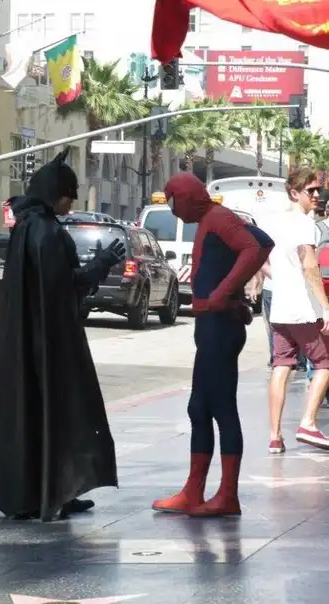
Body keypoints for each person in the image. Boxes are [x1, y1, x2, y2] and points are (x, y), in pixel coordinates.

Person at [0, 147, 126, 521]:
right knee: (58, 412)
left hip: (25, 342)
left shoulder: (26, 227)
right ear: (56, 193)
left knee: (31, 415)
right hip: (50, 343)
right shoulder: (47, 232)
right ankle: (53, 492)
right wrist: (102, 263)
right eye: (69, 194)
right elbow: (64, 288)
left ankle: (42, 492)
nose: (72, 201)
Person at [152, 173, 274, 517]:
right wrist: (232, 294)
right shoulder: (214, 218)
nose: (174, 211)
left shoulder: (218, 218)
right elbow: (261, 241)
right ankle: (195, 491)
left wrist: (224, 293)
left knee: (221, 409)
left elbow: (256, 247)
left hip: (219, 326)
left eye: (174, 202)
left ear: (187, 197)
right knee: (200, 409)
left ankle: (227, 495)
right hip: (213, 324)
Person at [267, 168, 329, 454]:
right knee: (324, 363)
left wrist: (277, 279)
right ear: (294, 193)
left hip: (280, 308)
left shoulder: (275, 222)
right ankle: (308, 423)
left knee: (282, 365)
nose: (316, 195)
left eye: (319, 190)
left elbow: (260, 257)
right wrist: (325, 307)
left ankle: (274, 436)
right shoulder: (304, 223)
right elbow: (310, 267)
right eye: (310, 191)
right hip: (303, 309)